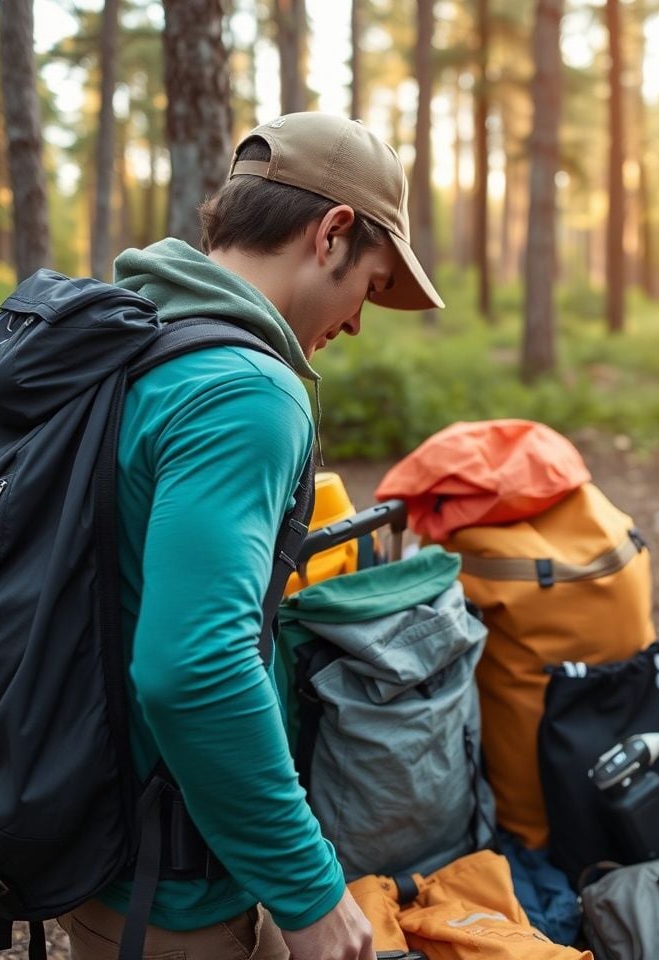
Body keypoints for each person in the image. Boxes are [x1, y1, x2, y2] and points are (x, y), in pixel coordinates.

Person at [55, 113, 443, 960]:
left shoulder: (138, 331)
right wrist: (309, 892)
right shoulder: (244, 392)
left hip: (100, 831)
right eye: (370, 288)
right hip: (176, 887)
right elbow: (192, 667)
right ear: (333, 232)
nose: (355, 324)